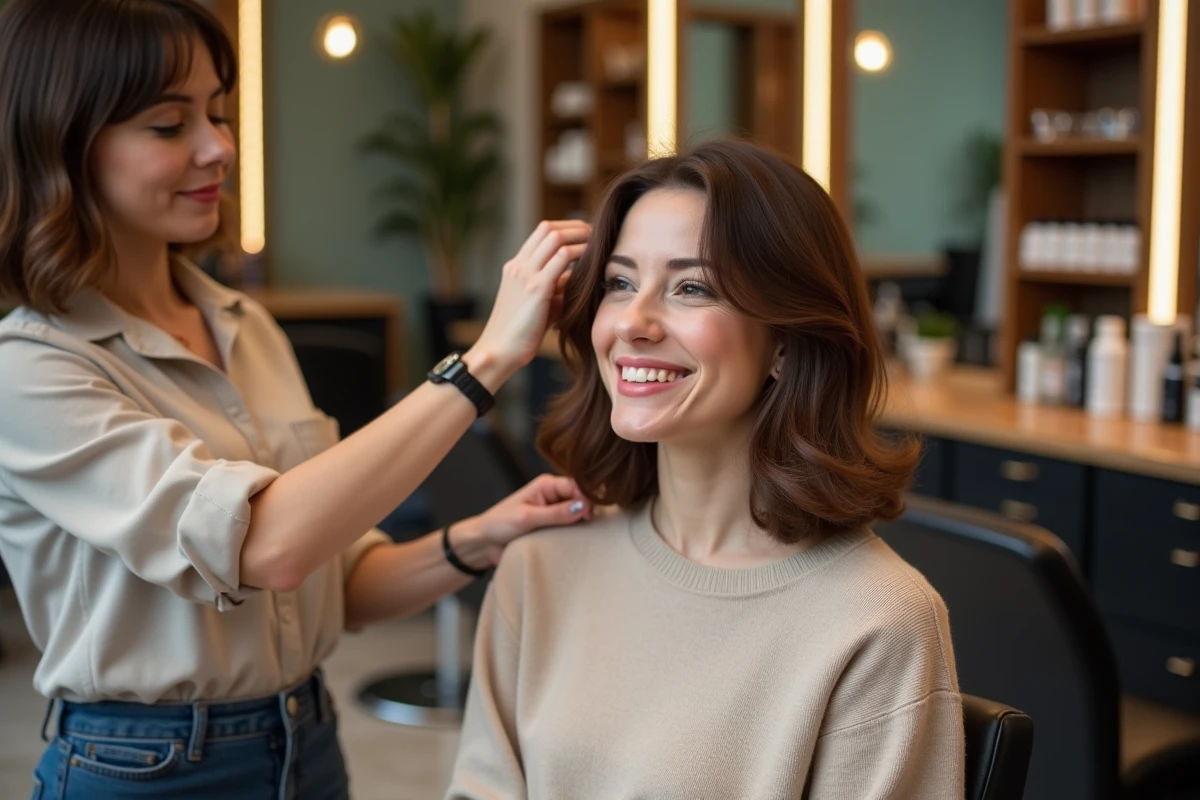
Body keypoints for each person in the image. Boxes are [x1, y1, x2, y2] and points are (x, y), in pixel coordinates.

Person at [0, 1, 593, 798]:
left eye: (216, 112)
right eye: (169, 125)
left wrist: (484, 536)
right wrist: (484, 361)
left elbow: (334, 576)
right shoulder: (32, 370)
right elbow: (268, 546)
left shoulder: (246, 326)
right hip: (143, 771)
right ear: (63, 145)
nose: (220, 147)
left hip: (306, 743)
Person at [447, 140, 966, 799]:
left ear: (785, 340)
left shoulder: (878, 620)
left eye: (691, 287)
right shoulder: (540, 564)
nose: (634, 321)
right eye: (619, 282)